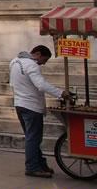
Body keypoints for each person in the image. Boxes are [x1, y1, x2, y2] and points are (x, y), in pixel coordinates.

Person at [11, 45, 70, 177]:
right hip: (31, 106)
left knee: (31, 137)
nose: (43, 63)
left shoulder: (15, 61)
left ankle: (40, 164)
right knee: (33, 138)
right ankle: (32, 167)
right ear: (37, 54)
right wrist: (61, 93)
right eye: (44, 60)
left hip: (19, 104)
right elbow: (41, 85)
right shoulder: (32, 65)